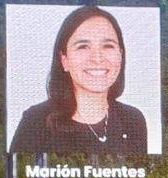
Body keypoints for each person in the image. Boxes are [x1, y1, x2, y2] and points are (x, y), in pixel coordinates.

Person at [10, 5, 148, 154]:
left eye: (108, 46)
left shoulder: (133, 119)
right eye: (83, 46)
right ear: (64, 60)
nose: (97, 58)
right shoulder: (36, 121)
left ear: (120, 55)